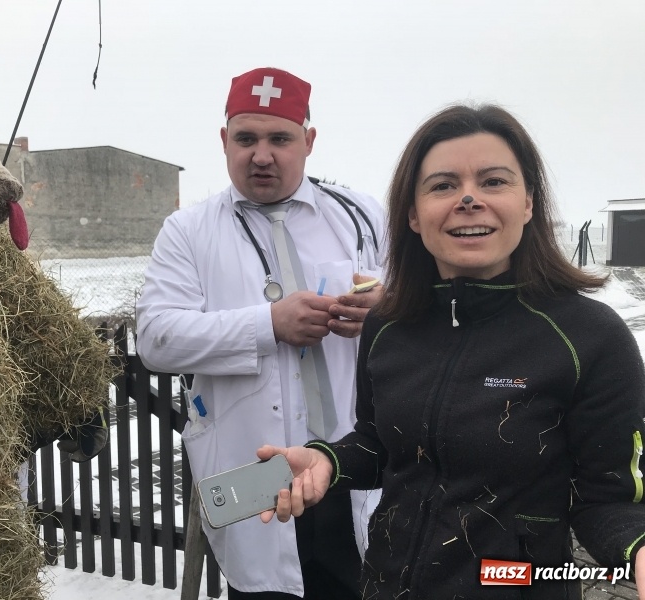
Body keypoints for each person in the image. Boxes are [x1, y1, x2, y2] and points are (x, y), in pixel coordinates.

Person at [258, 103, 645, 599]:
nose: (468, 199)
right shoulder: (388, 324)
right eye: (442, 185)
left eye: (493, 181)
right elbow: (382, 444)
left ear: (528, 202)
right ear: (414, 215)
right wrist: (329, 461)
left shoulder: (589, 337)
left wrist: (636, 545)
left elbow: (609, 500)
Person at [136, 67, 387, 598]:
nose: (262, 155)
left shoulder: (363, 217)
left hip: (350, 460)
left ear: (309, 141)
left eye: (280, 138)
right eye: (246, 139)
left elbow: (420, 307)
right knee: (263, 589)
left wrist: (389, 310)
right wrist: (267, 325)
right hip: (254, 471)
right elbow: (156, 338)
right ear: (224, 142)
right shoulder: (189, 230)